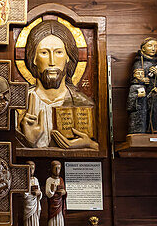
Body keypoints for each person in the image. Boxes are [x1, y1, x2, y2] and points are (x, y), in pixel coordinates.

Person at [16, 19, 97, 149]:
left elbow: (101, 148)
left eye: (58, 52)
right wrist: (27, 140)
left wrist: (89, 143)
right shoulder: (19, 105)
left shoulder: (83, 103)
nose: (52, 61)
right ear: (34, 58)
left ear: (68, 57)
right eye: (44, 53)